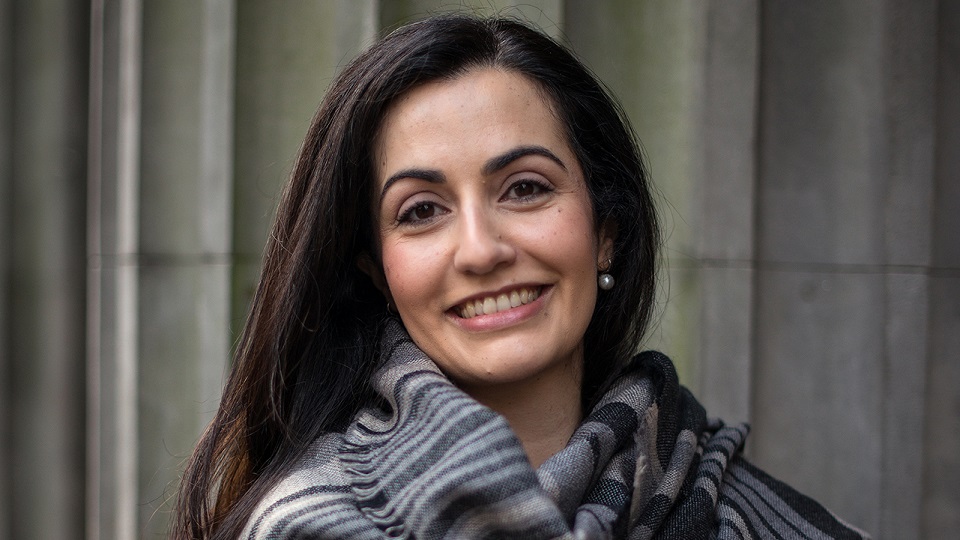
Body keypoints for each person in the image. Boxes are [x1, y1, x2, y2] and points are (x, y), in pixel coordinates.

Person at [173, 14, 870, 540]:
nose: (480, 249)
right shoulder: (311, 522)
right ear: (375, 269)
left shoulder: (748, 513)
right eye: (420, 211)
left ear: (607, 232)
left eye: (526, 189)